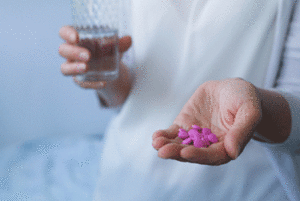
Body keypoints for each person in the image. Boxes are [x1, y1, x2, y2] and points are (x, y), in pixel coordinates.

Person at [58, 0, 300, 200]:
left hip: (246, 188)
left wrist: (255, 102)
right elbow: (122, 95)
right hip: (129, 183)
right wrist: (103, 74)